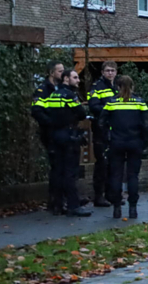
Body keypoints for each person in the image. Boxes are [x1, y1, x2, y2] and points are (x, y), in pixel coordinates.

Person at [100, 75, 148, 219]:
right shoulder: (140, 102)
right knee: (133, 176)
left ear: (117, 87)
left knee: (116, 175)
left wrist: (107, 138)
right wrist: (145, 143)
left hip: (116, 143)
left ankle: (117, 207)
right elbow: (147, 125)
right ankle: (133, 208)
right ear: (132, 86)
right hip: (135, 143)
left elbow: (102, 122)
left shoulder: (111, 102)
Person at [53, 69, 91, 217]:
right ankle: (73, 205)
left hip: (56, 135)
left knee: (59, 171)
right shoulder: (70, 96)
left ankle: (58, 204)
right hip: (69, 135)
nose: (78, 80)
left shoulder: (53, 95)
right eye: (75, 78)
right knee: (70, 172)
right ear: (66, 79)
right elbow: (81, 114)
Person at [31, 59, 65, 215]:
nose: (62, 73)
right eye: (59, 71)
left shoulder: (62, 88)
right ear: (51, 73)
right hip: (50, 134)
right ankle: (55, 201)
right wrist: (52, 123)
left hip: (62, 133)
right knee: (57, 167)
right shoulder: (43, 91)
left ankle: (60, 199)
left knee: (62, 168)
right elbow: (37, 111)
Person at [87, 61, 118, 208]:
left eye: (112, 71)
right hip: (101, 129)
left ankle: (111, 194)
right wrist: (110, 110)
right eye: (107, 71)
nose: (110, 73)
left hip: (115, 129)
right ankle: (99, 196)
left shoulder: (117, 87)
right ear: (102, 72)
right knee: (102, 163)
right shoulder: (96, 87)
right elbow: (94, 106)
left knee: (113, 163)